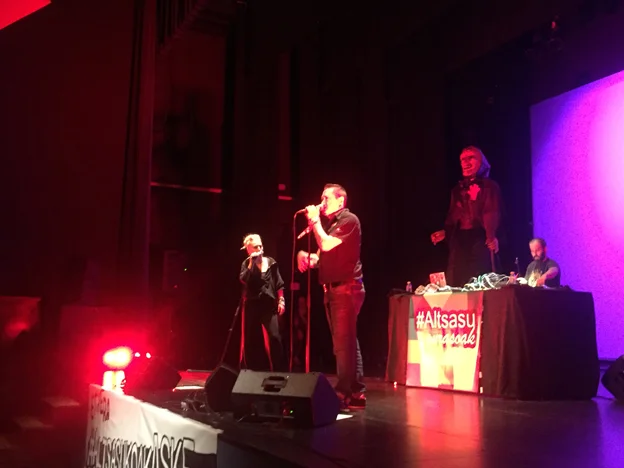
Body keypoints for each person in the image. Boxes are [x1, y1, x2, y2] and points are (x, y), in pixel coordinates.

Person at [296, 183, 366, 409]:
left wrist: (315, 221)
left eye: (326, 199)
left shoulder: (349, 221)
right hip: (332, 289)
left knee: (343, 344)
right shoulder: (332, 224)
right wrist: (304, 256)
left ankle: (343, 392)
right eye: (321, 198)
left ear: (340, 201)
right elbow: (321, 257)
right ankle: (356, 393)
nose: (322, 203)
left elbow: (326, 244)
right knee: (346, 341)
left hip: (346, 288)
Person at [431, 146, 503, 286]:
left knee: (480, 274)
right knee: (456, 273)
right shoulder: (457, 190)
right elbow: (453, 215)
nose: (466, 163)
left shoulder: (489, 187)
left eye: (470, 158)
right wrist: (445, 232)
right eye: (462, 159)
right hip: (461, 238)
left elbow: (492, 211)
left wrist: (491, 235)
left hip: (480, 236)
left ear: (481, 162)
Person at [239, 234, 287, 371]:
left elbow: (279, 283)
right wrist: (251, 263)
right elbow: (243, 279)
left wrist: (281, 300)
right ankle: (252, 371)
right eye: (256, 247)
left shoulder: (271, 262)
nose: (260, 249)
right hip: (252, 305)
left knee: (275, 337)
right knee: (251, 339)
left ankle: (279, 371)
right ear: (249, 250)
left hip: (268, 305)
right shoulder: (246, 264)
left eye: (261, 245)